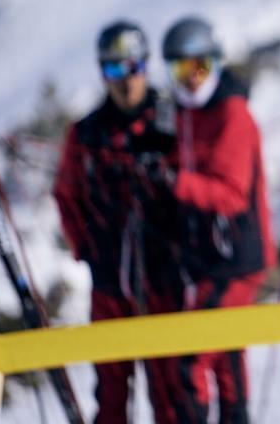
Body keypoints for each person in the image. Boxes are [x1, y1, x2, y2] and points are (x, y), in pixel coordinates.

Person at [53, 21, 182, 423]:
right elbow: (66, 193)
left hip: (165, 279)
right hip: (109, 281)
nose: (125, 80)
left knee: (170, 390)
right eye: (113, 70)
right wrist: (86, 249)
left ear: (145, 65)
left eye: (132, 67)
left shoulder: (171, 120)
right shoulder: (87, 132)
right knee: (110, 392)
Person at [160, 16, 276, 424]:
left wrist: (176, 182)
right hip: (210, 258)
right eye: (180, 68)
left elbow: (229, 193)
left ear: (214, 63)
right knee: (227, 358)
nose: (191, 78)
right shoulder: (185, 114)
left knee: (191, 357)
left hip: (237, 258)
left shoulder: (232, 114)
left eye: (200, 67)